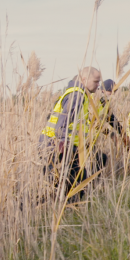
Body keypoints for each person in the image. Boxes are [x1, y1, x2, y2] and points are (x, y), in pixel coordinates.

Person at [40, 67, 101, 201]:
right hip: (53, 144)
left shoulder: (78, 94)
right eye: (96, 81)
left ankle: (65, 209)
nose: (98, 85)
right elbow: (63, 121)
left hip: (55, 143)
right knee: (77, 181)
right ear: (84, 79)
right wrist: (63, 143)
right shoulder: (77, 95)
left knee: (68, 182)